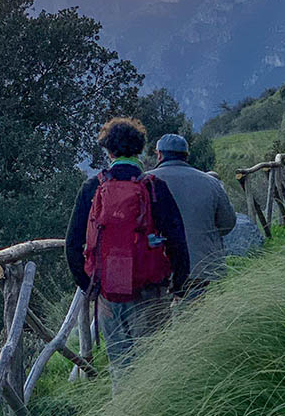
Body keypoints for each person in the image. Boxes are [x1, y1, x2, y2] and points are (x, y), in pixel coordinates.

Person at [65, 118, 190, 389]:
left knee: (120, 366)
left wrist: (90, 287)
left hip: (110, 294)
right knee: (155, 364)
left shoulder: (92, 187)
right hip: (150, 290)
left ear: (108, 151)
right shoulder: (153, 187)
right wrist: (178, 285)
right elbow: (177, 241)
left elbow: (72, 246)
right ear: (139, 150)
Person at [151, 133, 237, 301]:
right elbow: (228, 223)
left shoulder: (146, 182)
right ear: (186, 156)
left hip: (159, 266)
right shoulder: (211, 182)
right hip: (201, 267)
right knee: (195, 318)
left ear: (159, 154)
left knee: (159, 322)